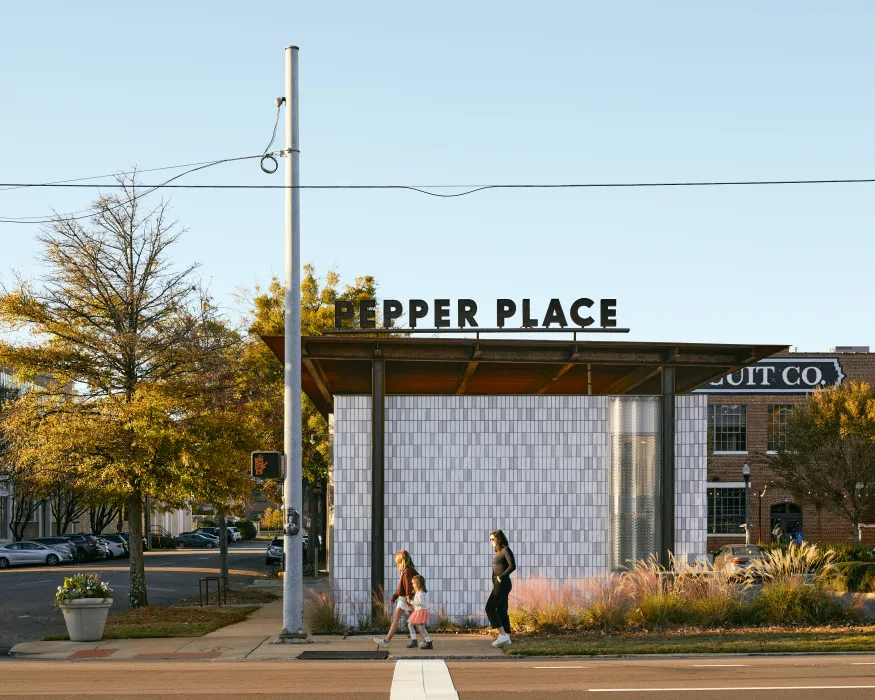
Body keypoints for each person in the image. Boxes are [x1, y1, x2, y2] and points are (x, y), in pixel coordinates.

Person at [374, 550, 419, 648]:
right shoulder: (408, 570)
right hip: (406, 599)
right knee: (414, 621)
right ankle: (420, 640)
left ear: (401, 560)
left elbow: (408, 587)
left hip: (405, 599)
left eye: (397, 561)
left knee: (398, 619)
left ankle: (386, 641)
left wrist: (408, 600)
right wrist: (394, 597)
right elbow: (401, 588)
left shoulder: (407, 571)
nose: (396, 563)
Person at [485, 529, 515, 648]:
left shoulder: (506, 550)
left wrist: (500, 577)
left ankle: (502, 635)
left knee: (489, 608)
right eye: (490, 539)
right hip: (499, 584)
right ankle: (506, 637)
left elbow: (513, 566)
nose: (490, 541)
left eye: (492, 539)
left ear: (499, 539)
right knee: (502, 610)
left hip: (503, 584)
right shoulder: (499, 552)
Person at [407, 575, 433, 650]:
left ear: (418, 583)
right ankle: (426, 642)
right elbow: (419, 603)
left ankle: (419, 641)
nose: (412, 585)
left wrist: (411, 602)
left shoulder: (420, 592)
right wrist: (414, 606)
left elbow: (420, 602)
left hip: (421, 611)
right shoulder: (418, 592)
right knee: (417, 627)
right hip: (419, 610)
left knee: (415, 626)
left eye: (413, 583)